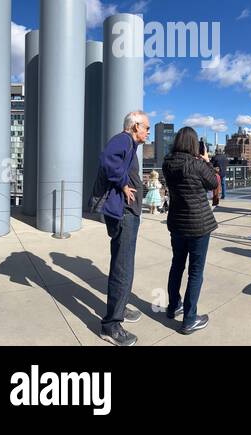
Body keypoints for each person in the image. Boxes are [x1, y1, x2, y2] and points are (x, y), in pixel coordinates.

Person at [92, 111, 150, 346]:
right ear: (135, 126)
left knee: (124, 263)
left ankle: (121, 306)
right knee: (123, 267)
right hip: (123, 214)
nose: (147, 131)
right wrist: (124, 183)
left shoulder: (130, 145)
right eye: (145, 127)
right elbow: (107, 158)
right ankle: (111, 326)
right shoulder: (123, 139)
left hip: (127, 213)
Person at [162, 127, 219, 335]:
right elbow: (213, 183)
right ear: (195, 144)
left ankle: (173, 306)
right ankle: (189, 319)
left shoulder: (167, 163)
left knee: (177, 264)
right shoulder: (196, 164)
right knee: (195, 272)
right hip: (198, 224)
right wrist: (206, 160)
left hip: (177, 223)